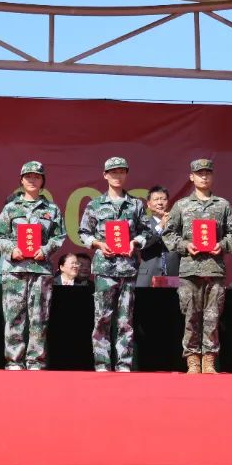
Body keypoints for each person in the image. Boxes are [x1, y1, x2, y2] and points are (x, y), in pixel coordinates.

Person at [163, 158, 232, 374]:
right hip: (190, 270)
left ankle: (209, 359)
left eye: (207, 173)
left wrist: (221, 245)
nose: (204, 177)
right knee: (191, 316)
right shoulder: (181, 205)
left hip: (214, 269)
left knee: (212, 317)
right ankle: (192, 360)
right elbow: (169, 233)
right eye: (199, 174)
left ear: (212, 176)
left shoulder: (222, 205)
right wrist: (185, 245)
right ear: (191, 177)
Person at [78, 157, 154, 372]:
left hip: (127, 268)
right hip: (105, 268)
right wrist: (98, 244)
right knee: (102, 317)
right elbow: (84, 232)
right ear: (105, 175)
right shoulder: (95, 204)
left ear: (126, 174)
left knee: (125, 320)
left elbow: (147, 231)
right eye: (113, 172)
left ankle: (124, 364)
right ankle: (102, 364)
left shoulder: (136, 204)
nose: (117, 176)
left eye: (121, 172)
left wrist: (135, 242)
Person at [0, 160, 67, 371]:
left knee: (39, 317)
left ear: (43, 181)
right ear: (21, 180)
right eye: (28, 176)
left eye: (37, 176)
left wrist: (46, 250)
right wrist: (11, 249)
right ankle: (14, 360)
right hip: (14, 270)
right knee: (14, 316)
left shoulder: (51, 209)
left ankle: (35, 360)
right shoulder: (11, 208)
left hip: (40, 270)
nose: (32, 180)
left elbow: (59, 236)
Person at [137, 185, 180, 287]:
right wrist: (161, 225)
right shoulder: (142, 223)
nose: (160, 203)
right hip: (148, 276)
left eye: (163, 199)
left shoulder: (177, 223)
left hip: (172, 276)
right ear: (148, 204)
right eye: (156, 199)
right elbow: (143, 243)